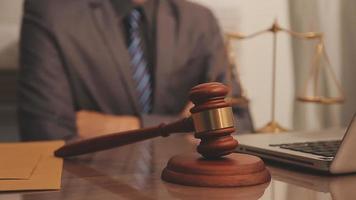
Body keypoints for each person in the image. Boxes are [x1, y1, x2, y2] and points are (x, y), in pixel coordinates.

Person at [18, 0, 253, 141]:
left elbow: (240, 123)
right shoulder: (50, 14)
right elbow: (45, 135)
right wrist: (187, 125)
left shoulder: (200, 20)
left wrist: (127, 127)